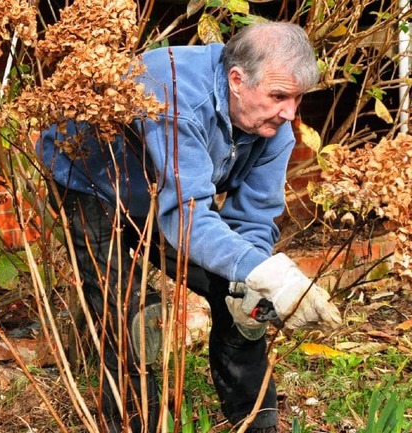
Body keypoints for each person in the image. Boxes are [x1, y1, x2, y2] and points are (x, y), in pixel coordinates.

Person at [39, 21, 342, 433]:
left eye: (297, 97)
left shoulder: (275, 130)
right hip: (91, 180)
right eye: (278, 96)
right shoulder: (175, 97)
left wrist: (254, 280)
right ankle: (135, 424)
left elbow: (252, 219)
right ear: (237, 80)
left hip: (168, 193)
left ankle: (255, 422)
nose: (290, 111)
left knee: (246, 300)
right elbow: (185, 218)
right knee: (130, 316)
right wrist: (268, 273)